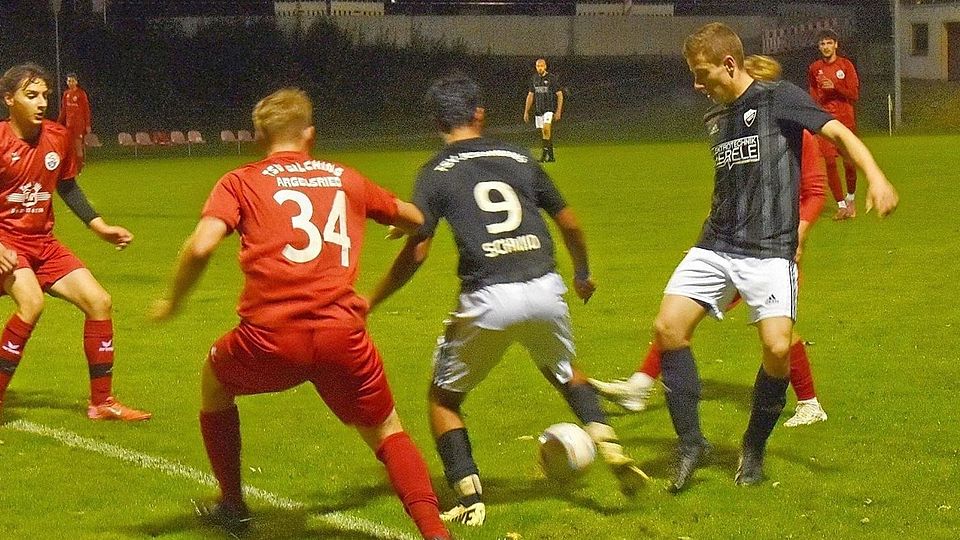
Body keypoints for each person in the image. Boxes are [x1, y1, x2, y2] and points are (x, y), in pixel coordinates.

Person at [149, 87, 450, 540]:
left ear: (259, 136)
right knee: (387, 429)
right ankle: (434, 532)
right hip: (341, 334)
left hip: (270, 337)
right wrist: (395, 224)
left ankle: (232, 505)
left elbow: (202, 245)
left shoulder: (241, 181)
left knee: (214, 380)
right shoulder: (345, 178)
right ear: (309, 134)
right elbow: (416, 218)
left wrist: (173, 300)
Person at [369, 73, 647, 528]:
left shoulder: (435, 171)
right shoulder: (518, 156)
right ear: (480, 113)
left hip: (488, 296)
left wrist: (372, 299)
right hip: (545, 287)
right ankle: (607, 440)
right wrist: (581, 273)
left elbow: (417, 250)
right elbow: (571, 223)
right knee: (564, 371)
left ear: (438, 120)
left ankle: (468, 495)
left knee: (443, 399)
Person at [650, 23, 897, 493]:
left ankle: (753, 449)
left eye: (702, 74)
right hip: (716, 243)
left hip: (768, 250)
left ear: (729, 63)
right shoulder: (717, 119)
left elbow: (837, 133)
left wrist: (877, 177)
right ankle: (691, 444)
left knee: (779, 349)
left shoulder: (777, 97)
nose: (697, 85)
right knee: (667, 328)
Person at [590, 55, 830, 428]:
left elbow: (815, 191)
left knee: (775, 334)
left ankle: (810, 402)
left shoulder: (793, 124)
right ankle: (642, 383)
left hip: (774, 245)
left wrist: (797, 236)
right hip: (735, 242)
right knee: (688, 317)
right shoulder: (733, 125)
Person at [0, 63, 149, 422]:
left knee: (99, 301)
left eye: (45, 96)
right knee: (32, 303)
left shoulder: (58, 136)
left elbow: (66, 185)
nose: (41, 102)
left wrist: (99, 226)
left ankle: (102, 403)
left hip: (43, 243)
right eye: (31, 95)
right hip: (7, 242)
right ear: (9, 99)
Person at [808, 29, 860, 220]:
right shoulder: (815, 68)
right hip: (825, 121)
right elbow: (814, 93)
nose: (826, 47)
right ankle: (841, 205)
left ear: (836, 44)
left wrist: (835, 86)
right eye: (822, 44)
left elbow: (854, 94)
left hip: (845, 121)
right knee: (829, 162)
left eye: (829, 43)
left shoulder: (846, 66)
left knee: (848, 163)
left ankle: (851, 198)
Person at [523, 58, 563, 162]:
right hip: (538, 110)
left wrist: (558, 111)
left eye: (541, 66)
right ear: (536, 67)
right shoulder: (534, 79)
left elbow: (559, 94)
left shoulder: (551, 78)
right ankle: (551, 156)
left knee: (546, 129)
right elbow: (530, 95)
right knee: (544, 134)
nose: (540, 68)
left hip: (549, 109)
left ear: (545, 66)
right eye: (538, 66)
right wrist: (526, 111)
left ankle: (544, 156)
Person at [56, 73, 92, 173]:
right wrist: (58, 123)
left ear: (76, 82)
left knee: (78, 146)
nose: (70, 83)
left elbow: (86, 110)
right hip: (69, 125)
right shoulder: (66, 94)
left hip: (78, 125)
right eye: (68, 81)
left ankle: (79, 168)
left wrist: (88, 124)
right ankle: (72, 167)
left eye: (72, 81)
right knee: (69, 147)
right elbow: (63, 110)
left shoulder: (81, 93)